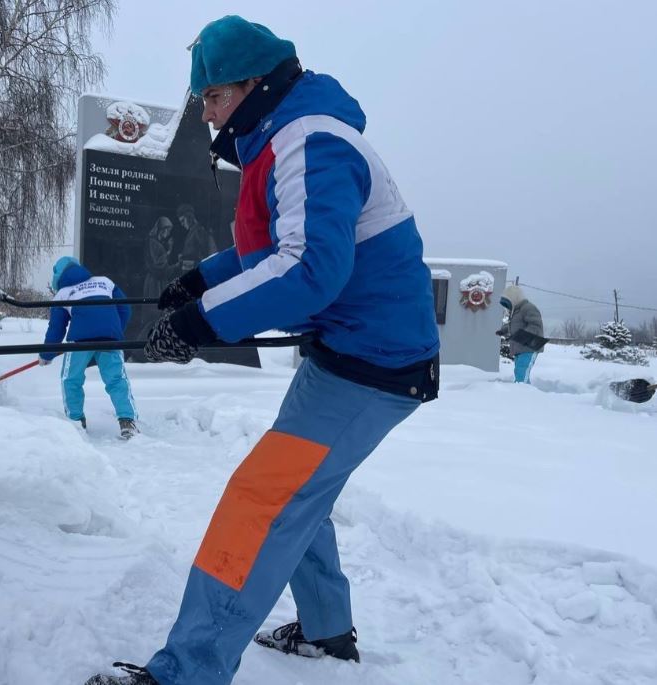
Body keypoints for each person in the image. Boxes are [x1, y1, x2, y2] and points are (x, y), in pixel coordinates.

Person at [85, 15, 440, 685]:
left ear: (257, 85)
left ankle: (187, 673)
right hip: (352, 354)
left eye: (215, 97)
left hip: (374, 364)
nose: (208, 114)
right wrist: (201, 281)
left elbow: (307, 268)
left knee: (262, 500)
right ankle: (326, 631)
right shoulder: (287, 136)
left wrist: (199, 324)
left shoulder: (311, 141)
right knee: (297, 491)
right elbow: (272, 246)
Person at [42, 256, 138, 439]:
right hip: (111, 338)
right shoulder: (105, 282)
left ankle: (76, 421)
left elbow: (56, 328)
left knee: (71, 379)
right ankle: (128, 421)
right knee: (117, 379)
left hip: (80, 340)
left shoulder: (62, 293)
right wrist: (114, 330)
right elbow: (125, 308)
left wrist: (46, 354)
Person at [496, 284, 545, 384]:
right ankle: (520, 390)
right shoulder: (516, 312)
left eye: (508, 303)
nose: (507, 307)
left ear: (515, 298)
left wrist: (520, 335)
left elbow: (535, 326)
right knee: (519, 372)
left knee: (522, 372)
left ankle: (523, 391)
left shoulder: (528, 308)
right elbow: (513, 326)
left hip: (530, 346)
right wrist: (503, 330)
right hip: (520, 347)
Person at [175, 204, 217, 272]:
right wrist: (183, 257)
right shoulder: (191, 232)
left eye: (183, 220)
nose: (182, 224)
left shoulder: (199, 230)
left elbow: (206, 255)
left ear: (190, 217)